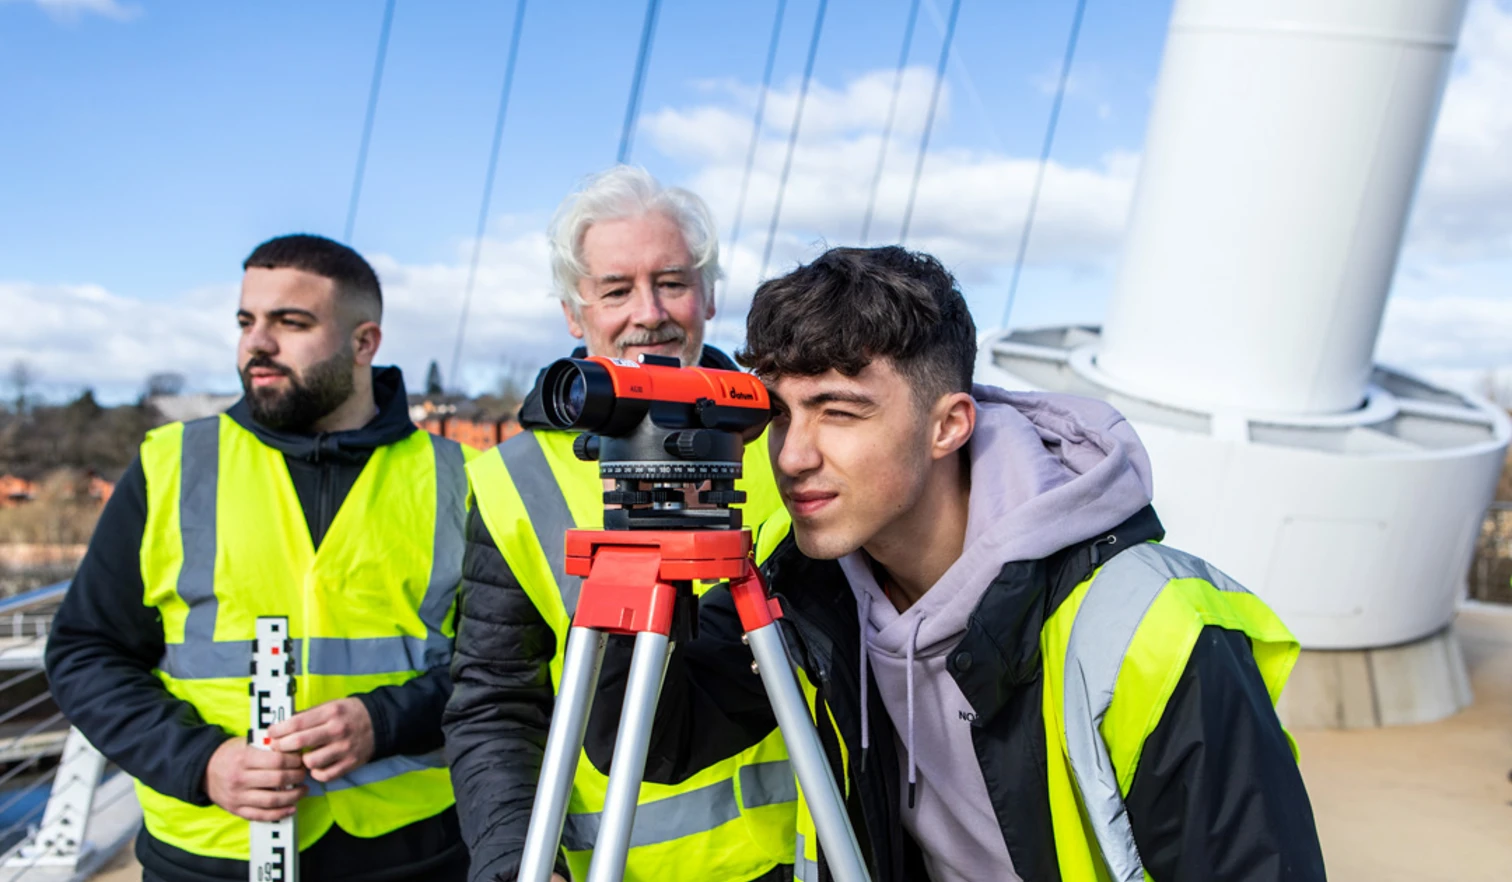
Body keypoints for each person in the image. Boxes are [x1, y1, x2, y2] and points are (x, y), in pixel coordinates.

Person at [586, 245, 1328, 882]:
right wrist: (654, 547)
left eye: (839, 412)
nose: (793, 455)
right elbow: (651, 740)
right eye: (779, 413)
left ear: (949, 426)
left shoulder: (1152, 630)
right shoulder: (808, 580)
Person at [46, 234, 471, 881]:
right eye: (247, 321)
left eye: (291, 323)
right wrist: (202, 762)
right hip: (209, 855)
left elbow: (511, 664)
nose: (257, 343)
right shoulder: (170, 465)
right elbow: (85, 653)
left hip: (413, 851)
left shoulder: (458, 478)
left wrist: (386, 722)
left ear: (365, 343)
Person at [442, 166, 796, 882]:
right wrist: (514, 863)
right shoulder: (517, 479)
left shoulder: (794, 439)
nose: (649, 312)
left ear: (709, 296)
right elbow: (496, 705)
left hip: (803, 857)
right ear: (576, 315)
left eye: (671, 282)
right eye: (615, 289)